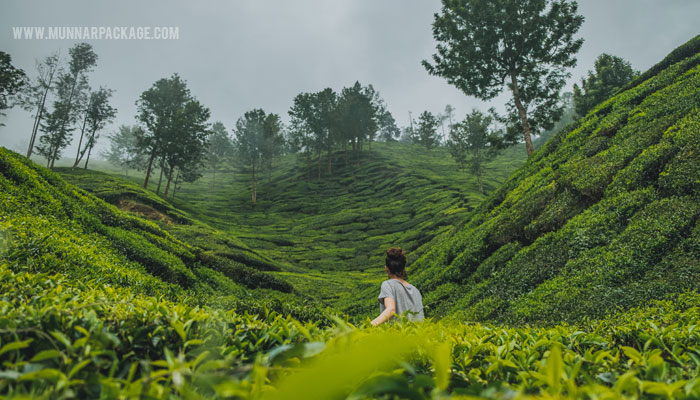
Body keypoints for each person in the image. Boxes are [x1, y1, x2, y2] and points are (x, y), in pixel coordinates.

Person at [371, 247, 424, 326]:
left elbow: (391, 309)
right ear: (403, 268)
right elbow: (421, 319)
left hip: (397, 335)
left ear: (386, 269)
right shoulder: (415, 290)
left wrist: (369, 325)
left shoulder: (387, 285)